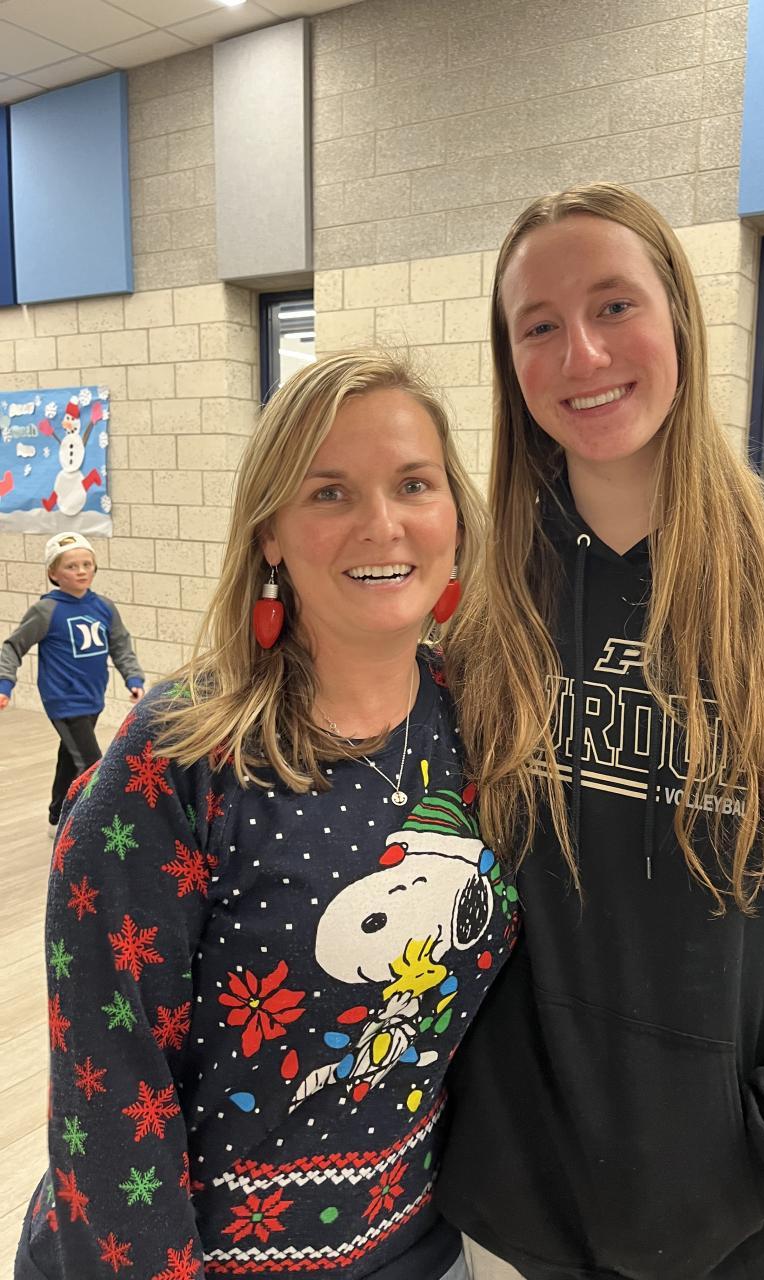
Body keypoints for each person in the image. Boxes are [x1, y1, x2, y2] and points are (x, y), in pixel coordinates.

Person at [435, 184, 764, 1280]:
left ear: (678, 315)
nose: (582, 353)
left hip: (745, 1224)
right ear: (509, 361)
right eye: (539, 324)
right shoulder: (483, 617)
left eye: (614, 305)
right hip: (516, 1211)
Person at [16, 351, 513, 1280]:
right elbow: (108, 1079)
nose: (383, 523)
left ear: (454, 515)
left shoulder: (483, 725)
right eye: (330, 492)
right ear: (271, 532)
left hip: (418, 1247)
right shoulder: (178, 758)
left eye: (414, 484)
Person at [0, 530, 144, 835]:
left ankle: (56, 816)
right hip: (64, 701)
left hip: (93, 698)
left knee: (70, 758)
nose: (81, 571)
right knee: (93, 764)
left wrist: (133, 677)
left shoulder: (104, 607)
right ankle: (100, 829)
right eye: (71, 566)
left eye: (86, 564)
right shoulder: (46, 611)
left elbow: (120, 644)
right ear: (53, 573)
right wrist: (5, 683)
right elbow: (13, 646)